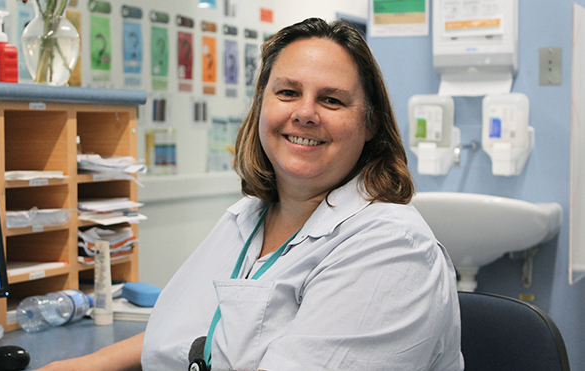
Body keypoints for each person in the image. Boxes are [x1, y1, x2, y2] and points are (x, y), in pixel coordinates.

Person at [38, 18, 463, 371]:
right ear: (262, 105)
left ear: (370, 124)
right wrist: (90, 362)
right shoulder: (249, 216)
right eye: (287, 92)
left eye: (331, 100)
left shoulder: (392, 248)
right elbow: (199, 328)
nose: (304, 113)